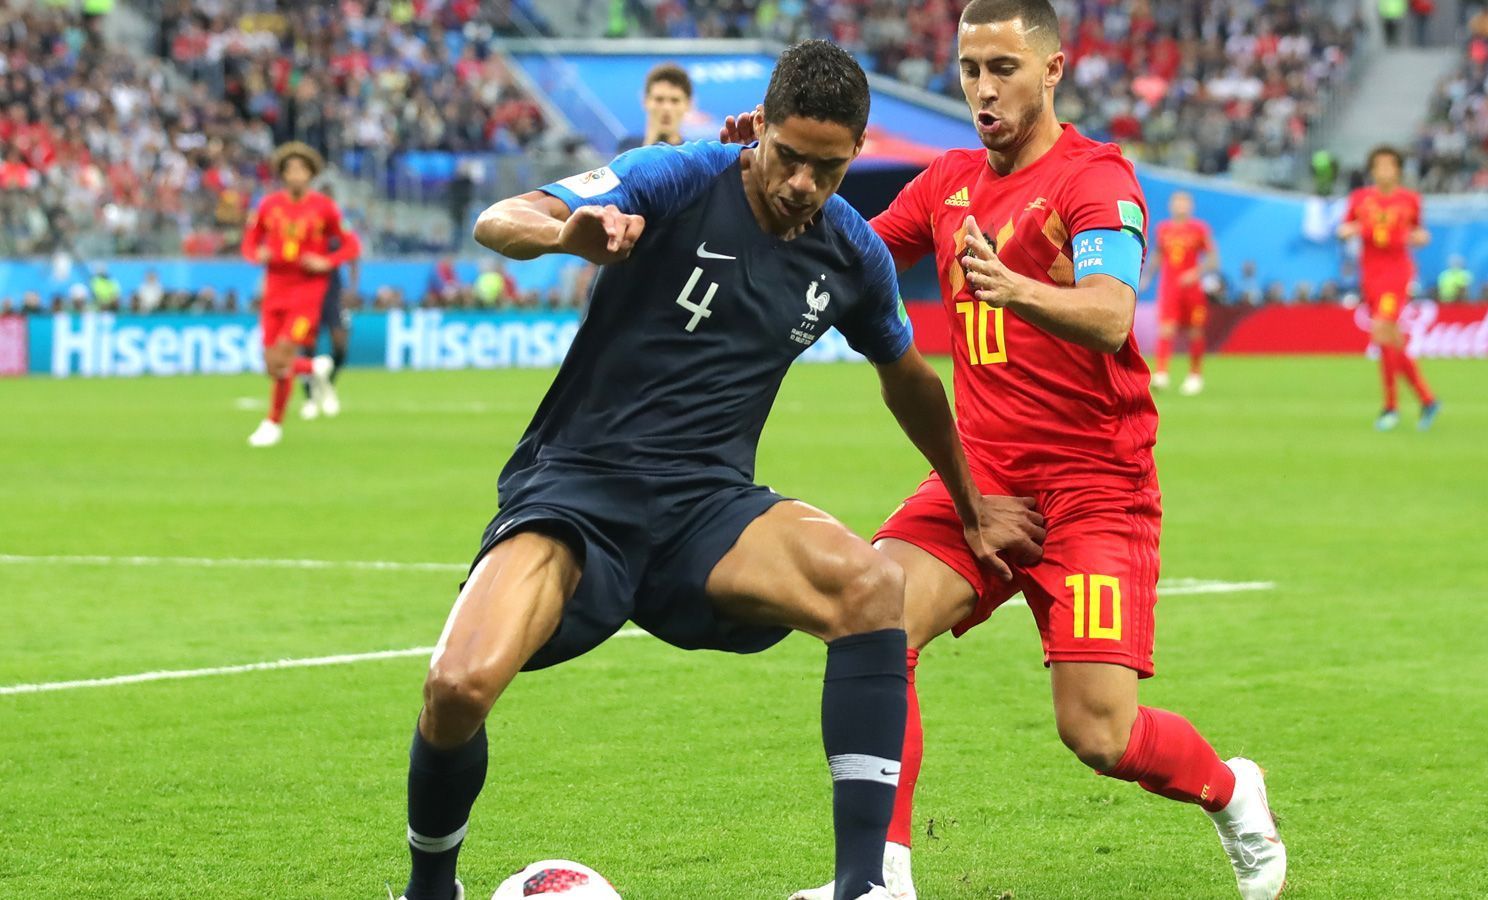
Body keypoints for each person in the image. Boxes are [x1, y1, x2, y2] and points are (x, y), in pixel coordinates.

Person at [395, 41, 1040, 900]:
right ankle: (431, 889)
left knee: (869, 588)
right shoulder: (674, 177)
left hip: (707, 507)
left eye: (828, 166)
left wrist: (970, 505)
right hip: (577, 492)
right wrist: (567, 234)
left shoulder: (851, 254)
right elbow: (500, 218)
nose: (803, 184)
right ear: (757, 133)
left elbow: (911, 383)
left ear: (856, 154)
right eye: (788, 158)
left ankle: (864, 888)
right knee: (455, 686)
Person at [733, 4, 1285, 899]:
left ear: (1052, 69)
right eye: (968, 70)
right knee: (873, 615)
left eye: (1003, 68)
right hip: (980, 475)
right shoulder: (947, 182)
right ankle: (879, 880)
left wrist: (1010, 285)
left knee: (1100, 735)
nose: (983, 90)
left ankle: (1232, 789)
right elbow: (840, 250)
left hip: (1094, 487)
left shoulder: (1096, 181)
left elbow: (1111, 315)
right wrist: (751, 171)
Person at [239, 142, 361, 447]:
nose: (295, 174)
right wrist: (259, 254)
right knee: (271, 363)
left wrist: (326, 261)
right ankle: (314, 368)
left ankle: (273, 423)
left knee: (283, 356)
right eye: (290, 169)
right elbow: (249, 243)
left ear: (310, 173)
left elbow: (351, 245)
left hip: (307, 290)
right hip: (274, 289)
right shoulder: (268, 206)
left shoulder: (324, 207)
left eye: (301, 169)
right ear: (282, 174)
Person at [1337, 146, 1439, 432]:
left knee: (1381, 330)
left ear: (1397, 170)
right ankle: (1427, 399)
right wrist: (1351, 230)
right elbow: (1344, 228)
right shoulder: (1360, 199)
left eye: (1389, 165)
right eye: (1378, 166)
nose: (1384, 171)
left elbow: (1421, 232)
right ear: (1372, 170)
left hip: (1396, 273)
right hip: (1370, 273)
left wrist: (1416, 237)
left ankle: (1391, 407)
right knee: (1392, 340)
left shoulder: (1410, 200)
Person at [1143, 190, 1217, 395]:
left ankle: (1195, 376)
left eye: (1184, 203)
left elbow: (1213, 259)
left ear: (1190, 207)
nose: (1180, 206)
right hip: (1169, 287)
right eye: (1177, 203)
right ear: (1171, 206)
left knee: (1195, 331)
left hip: (1192, 289)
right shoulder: (1163, 229)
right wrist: (1147, 277)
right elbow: (1158, 255)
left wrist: (1196, 273)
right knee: (1166, 329)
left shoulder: (1199, 229)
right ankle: (1161, 374)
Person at [298, 232, 357, 419]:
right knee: (307, 346)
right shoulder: (303, 225)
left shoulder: (335, 228)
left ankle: (328, 384)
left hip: (333, 294)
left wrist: (352, 289)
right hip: (307, 294)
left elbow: (353, 255)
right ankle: (310, 398)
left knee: (340, 344)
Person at [616, 62, 694, 151]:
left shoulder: (691, 156)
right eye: (659, 99)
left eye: (674, 101)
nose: (666, 108)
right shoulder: (627, 147)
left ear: (688, 104)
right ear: (645, 101)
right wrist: (650, 142)